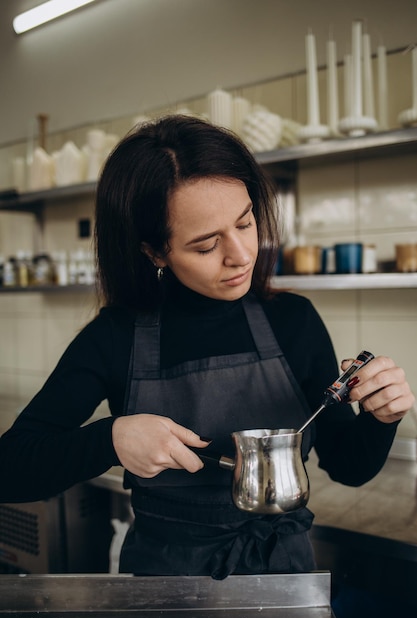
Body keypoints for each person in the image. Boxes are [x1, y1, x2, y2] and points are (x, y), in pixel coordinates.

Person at [0, 115, 414, 579]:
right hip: (165, 589)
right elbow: (10, 466)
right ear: (155, 252)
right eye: (205, 246)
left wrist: (382, 417)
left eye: (245, 222)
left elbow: (349, 467)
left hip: (284, 580)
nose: (240, 255)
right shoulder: (118, 336)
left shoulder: (292, 321)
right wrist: (110, 439)